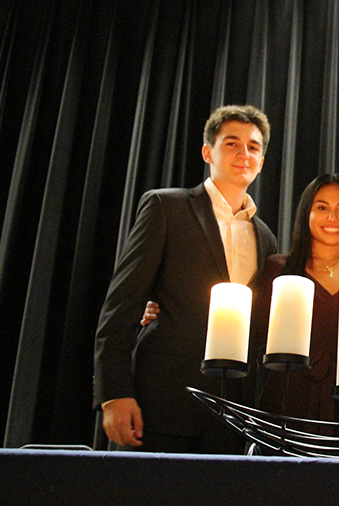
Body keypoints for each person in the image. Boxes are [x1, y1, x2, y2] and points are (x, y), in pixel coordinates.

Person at [92, 104, 277, 454]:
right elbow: (122, 304)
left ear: (262, 161)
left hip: (231, 415)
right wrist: (114, 393)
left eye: (253, 147)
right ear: (208, 151)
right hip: (161, 400)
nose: (244, 154)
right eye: (232, 143)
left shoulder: (266, 237)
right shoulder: (167, 207)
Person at [250, 173, 339, 438]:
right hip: (286, 404)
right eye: (322, 207)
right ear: (306, 213)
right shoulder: (278, 270)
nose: (332, 217)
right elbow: (252, 334)